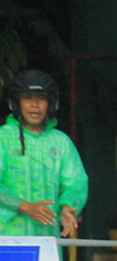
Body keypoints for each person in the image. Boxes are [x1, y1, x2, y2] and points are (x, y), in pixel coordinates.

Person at [0, 69, 87, 238]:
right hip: (6, 238)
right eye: (28, 98)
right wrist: (25, 206)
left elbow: (77, 183)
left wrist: (67, 208)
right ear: (16, 103)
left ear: (51, 104)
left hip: (47, 237)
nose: (35, 105)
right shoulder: (3, 137)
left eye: (41, 99)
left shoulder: (60, 141)